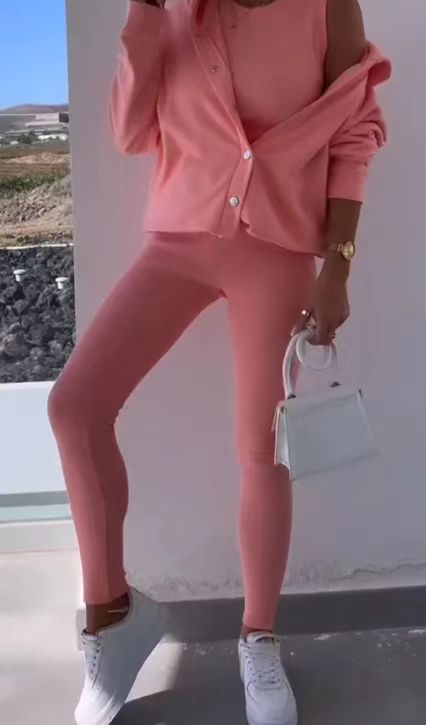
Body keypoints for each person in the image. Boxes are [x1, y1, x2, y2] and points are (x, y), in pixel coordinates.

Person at [48, 0, 390, 723]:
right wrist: (147, 14)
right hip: (178, 242)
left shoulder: (329, 7)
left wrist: (339, 265)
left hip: (277, 251)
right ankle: (112, 617)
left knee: (261, 448)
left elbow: (354, 133)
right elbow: (128, 131)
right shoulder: (173, 13)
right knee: (74, 407)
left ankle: (258, 637)